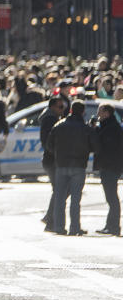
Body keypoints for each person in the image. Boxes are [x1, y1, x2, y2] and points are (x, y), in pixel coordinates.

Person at [46, 100, 96, 236]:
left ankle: (59, 227)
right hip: (79, 165)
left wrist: (58, 153)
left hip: (61, 164)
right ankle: (75, 227)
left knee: (60, 198)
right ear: (83, 112)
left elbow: (49, 146)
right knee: (75, 200)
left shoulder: (59, 126)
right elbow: (94, 146)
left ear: (71, 110)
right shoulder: (86, 129)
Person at [94, 103, 123, 236]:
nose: (98, 114)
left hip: (110, 166)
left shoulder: (112, 128)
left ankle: (113, 226)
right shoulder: (108, 126)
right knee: (111, 197)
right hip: (109, 165)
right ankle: (110, 225)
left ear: (107, 113)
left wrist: (96, 132)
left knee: (111, 197)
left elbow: (105, 146)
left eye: (100, 111)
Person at [38, 97, 66, 232]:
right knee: (60, 190)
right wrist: (57, 153)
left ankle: (49, 217)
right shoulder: (50, 119)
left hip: (51, 159)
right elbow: (47, 141)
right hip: (52, 160)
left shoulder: (51, 117)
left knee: (59, 190)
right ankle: (50, 220)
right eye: (60, 107)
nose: (62, 110)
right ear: (53, 107)